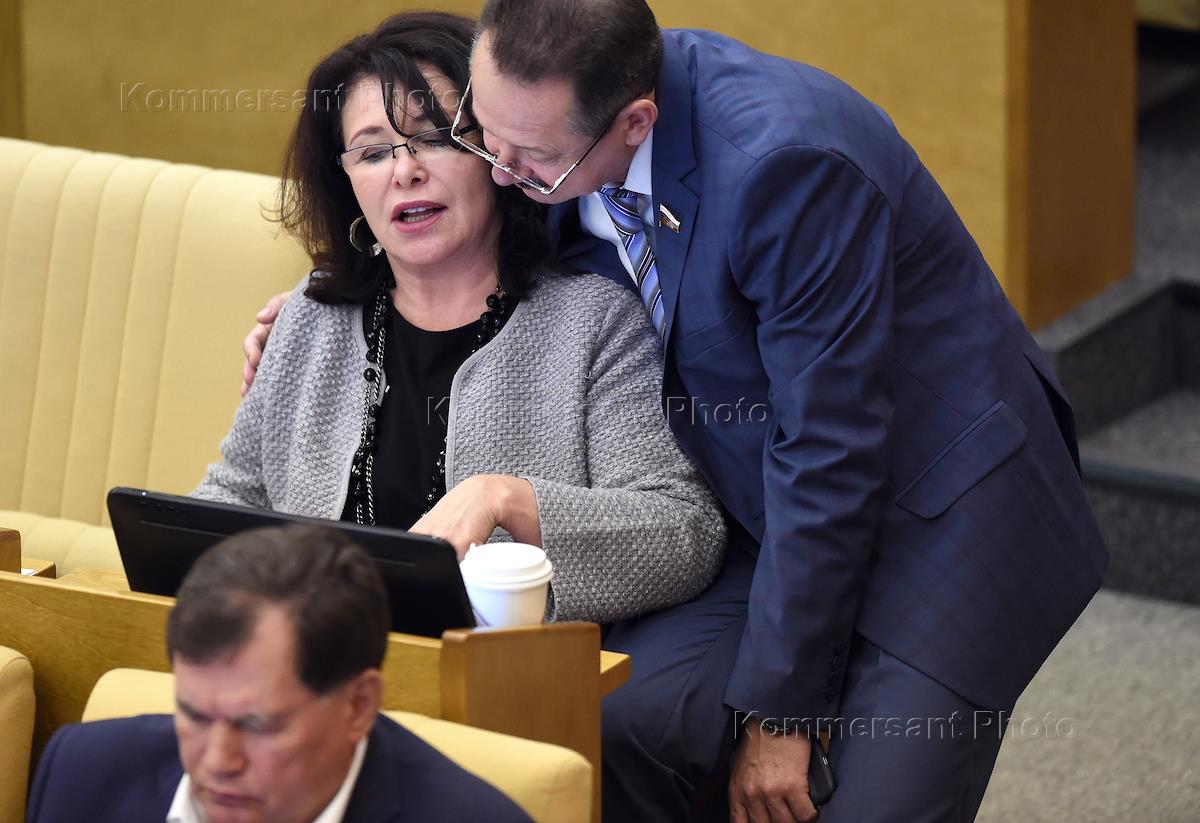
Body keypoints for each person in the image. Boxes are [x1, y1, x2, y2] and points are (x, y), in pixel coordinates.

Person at [243, 3, 1110, 822]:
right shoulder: (552, 111)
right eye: (483, 134)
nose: (499, 173)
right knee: (628, 723)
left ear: (635, 123)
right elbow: (453, 220)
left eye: (526, 159)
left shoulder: (783, 163)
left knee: (866, 802)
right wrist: (336, 304)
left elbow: (831, 447)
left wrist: (782, 714)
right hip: (757, 489)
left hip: (943, 501)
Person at [201, 11, 725, 627]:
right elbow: (231, 500)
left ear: (495, 151)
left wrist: (508, 500)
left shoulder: (595, 324)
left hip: (497, 673)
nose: (405, 171)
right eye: (373, 153)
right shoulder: (311, 318)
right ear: (346, 183)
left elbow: (684, 533)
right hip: (314, 660)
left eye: (435, 139)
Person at [24, 524, 535, 823]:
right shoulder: (81, 773)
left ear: (358, 705)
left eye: (258, 725)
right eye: (194, 715)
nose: (217, 762)